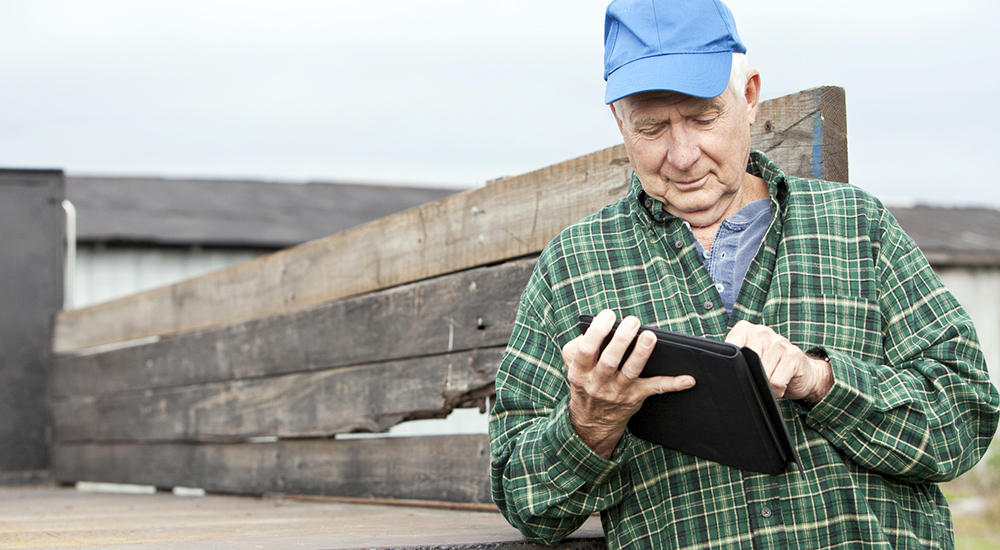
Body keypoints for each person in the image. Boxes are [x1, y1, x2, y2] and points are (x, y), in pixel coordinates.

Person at [488, 0, 1000, 548]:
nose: (682, 155)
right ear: (619, 121)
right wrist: (590, 423)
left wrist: (818, 379)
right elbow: (529, 505)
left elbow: (966, 420)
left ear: (750, 95)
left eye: (703, 118)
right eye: (651, 128)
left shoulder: (857, 225)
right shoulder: (575, 265)